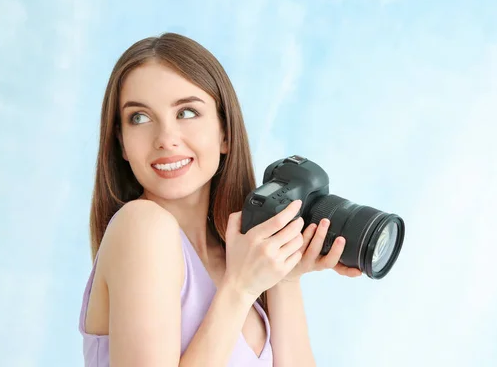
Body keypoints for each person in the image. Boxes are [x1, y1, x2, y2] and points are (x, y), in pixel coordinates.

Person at [78, 32, 362, 366]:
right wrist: (239, 289)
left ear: (225, 133)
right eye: (139, 117)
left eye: (186, 113)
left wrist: (284, 278)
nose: (166, 139)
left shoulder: (240, 260)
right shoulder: (141, 226)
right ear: (122, 144)